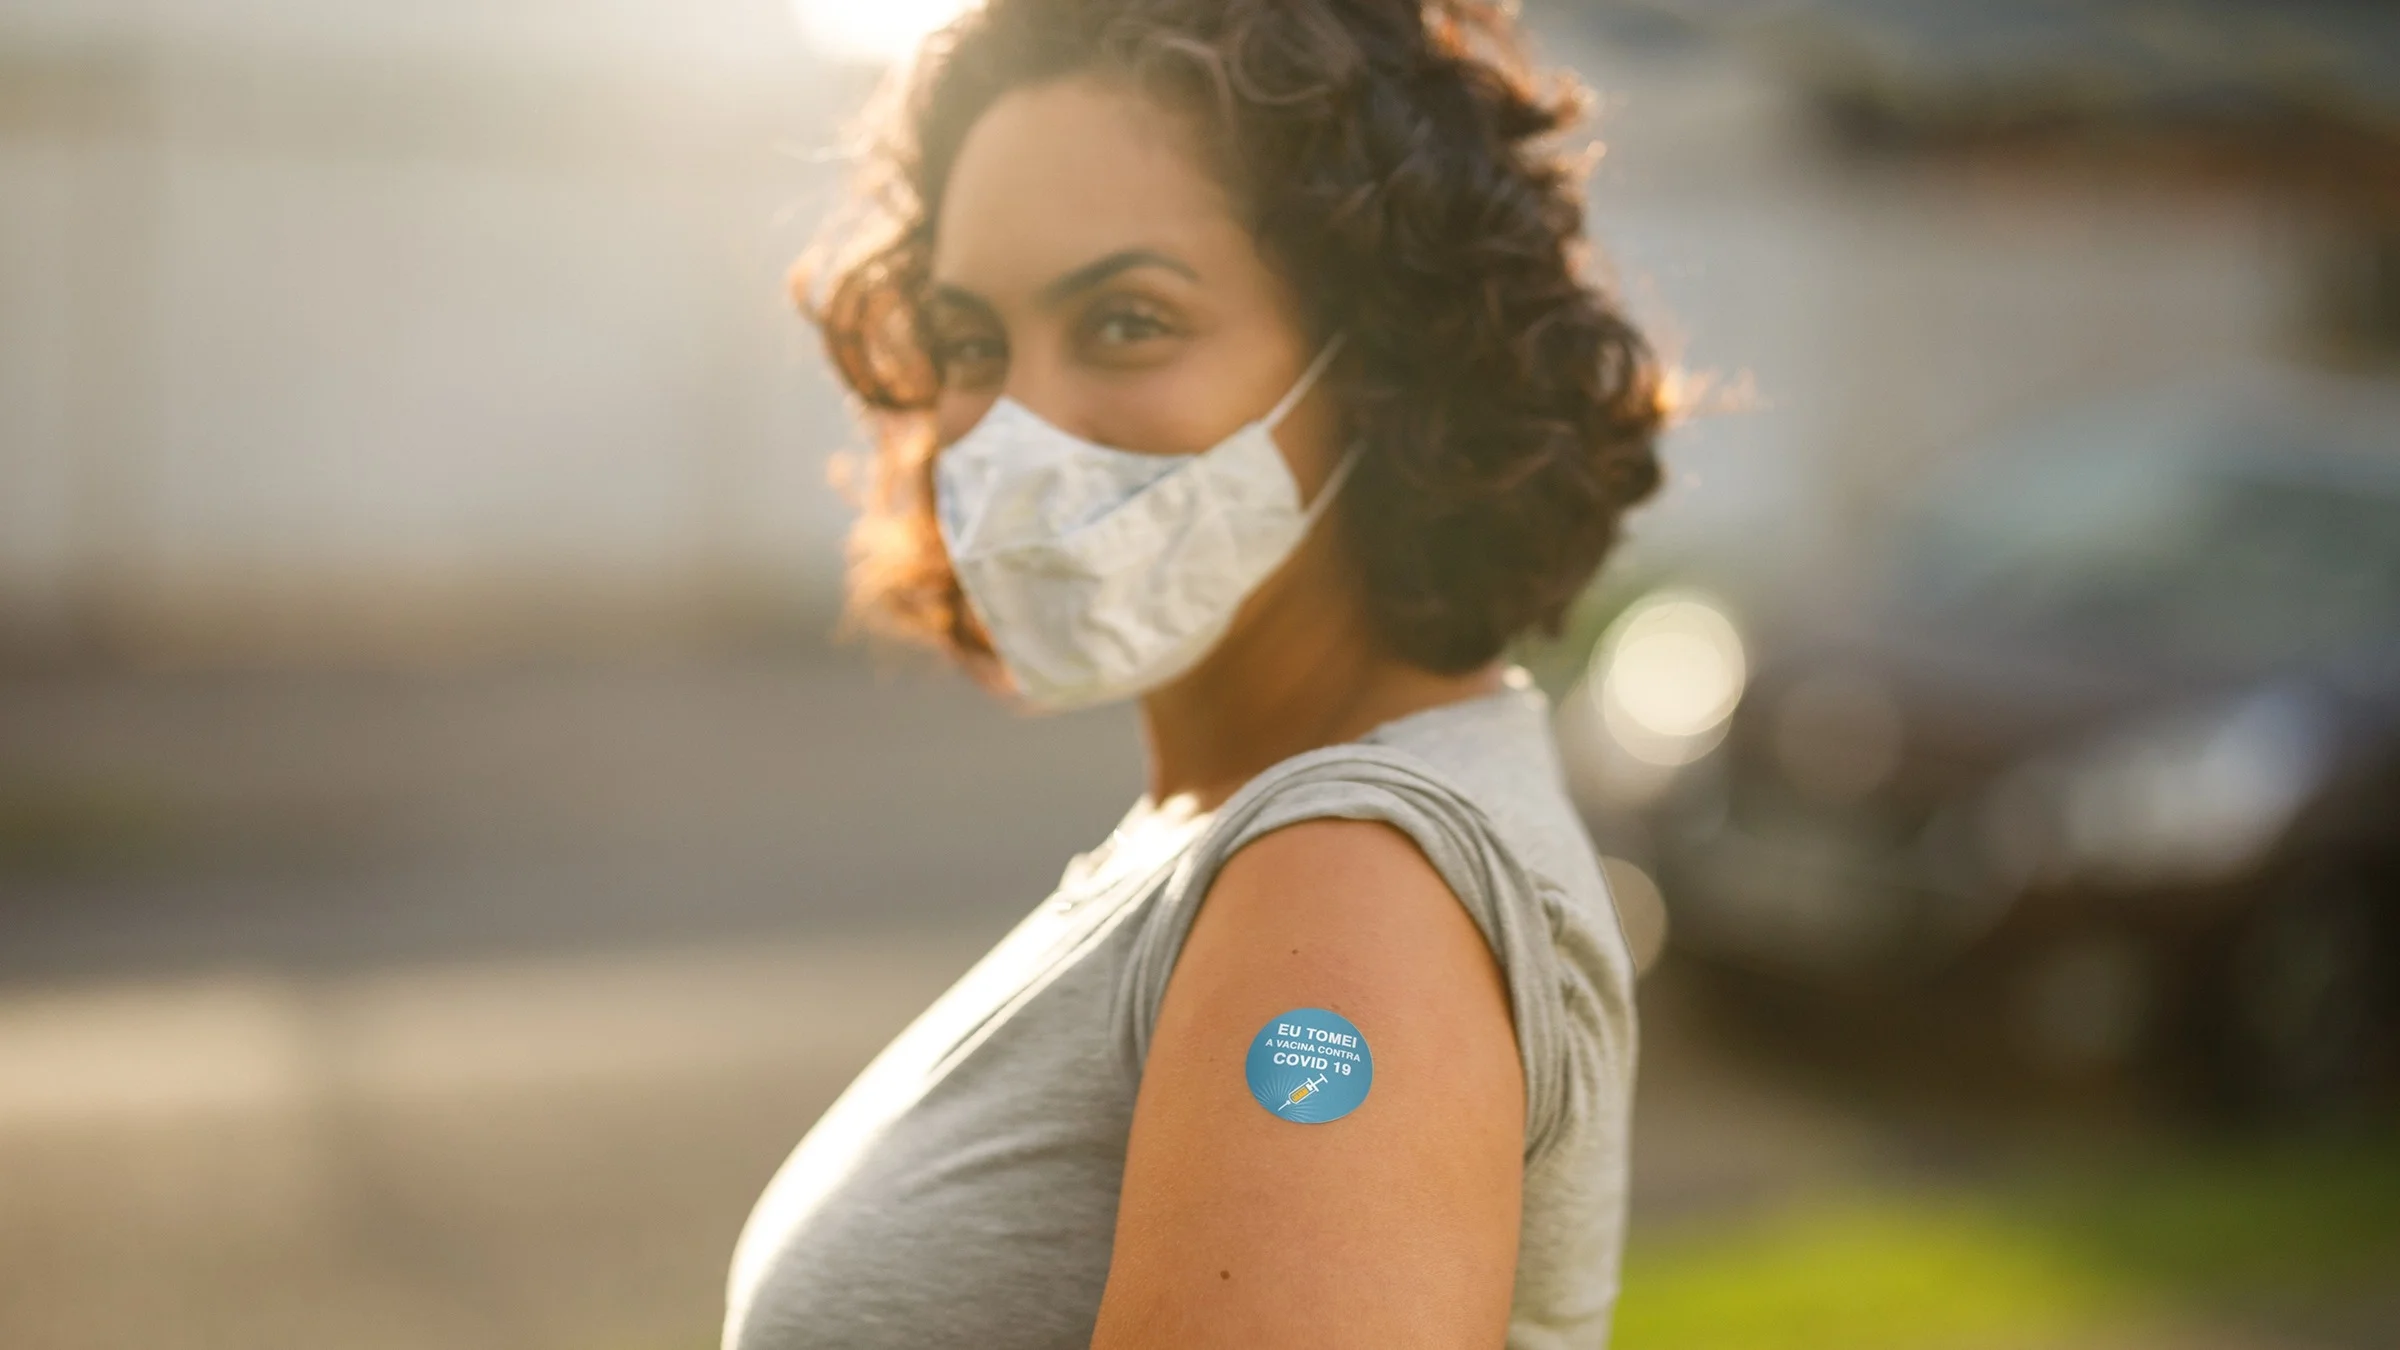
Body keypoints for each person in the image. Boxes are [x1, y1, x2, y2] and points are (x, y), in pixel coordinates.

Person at [723, 1, 1666, 1345]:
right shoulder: (1235, 830)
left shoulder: (1349, 892)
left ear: (1384, 362)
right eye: (973, 341)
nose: (1015, 427)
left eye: (1126, 321)